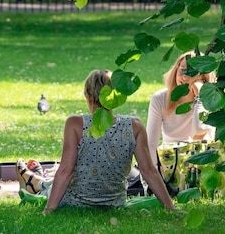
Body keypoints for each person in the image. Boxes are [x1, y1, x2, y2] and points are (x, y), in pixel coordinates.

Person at [17, 69, 175, 214]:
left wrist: (48, 210)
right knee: (55, 181)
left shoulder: (75, 124)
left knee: (51, 186)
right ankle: (36, 181)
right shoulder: (135, 126)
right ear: (115, 95)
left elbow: (66, 171)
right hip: (114, 203)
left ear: (87, 95)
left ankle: (35, 182)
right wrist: (170, 207)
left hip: (75, 202)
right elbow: (148, 171)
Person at [146, 51, 216, 160]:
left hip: (203, 158)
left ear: (202, 78)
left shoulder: (210, 100)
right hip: (171, 161)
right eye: (182, 69)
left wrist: (200, 98)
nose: (184, 76)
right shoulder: (160, 98)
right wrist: (155, 171)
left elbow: (200, 129)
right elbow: (150, 144)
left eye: (191, 72)